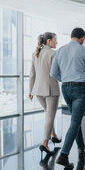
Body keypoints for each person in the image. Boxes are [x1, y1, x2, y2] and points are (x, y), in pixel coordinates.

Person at [50, 27, 85, 167]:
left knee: (75, 120)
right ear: (82, 38)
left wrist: (65, 79)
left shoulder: (60, 50)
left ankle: (81, 147)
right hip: (80, 90)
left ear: (72, 36)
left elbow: (53, 73)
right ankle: (64, 155)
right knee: (75, 122)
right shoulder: (84, 51)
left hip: (65, 88)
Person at [29, 32, 61, 162]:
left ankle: (53, 135)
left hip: (38, 90)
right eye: (55, 40)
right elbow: (56, 72)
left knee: (48, 113)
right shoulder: (53, 54)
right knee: (50, 115)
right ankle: (45, 143)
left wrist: (30, 91)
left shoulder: (35, 54)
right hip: (51, 89)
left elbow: (32, 74)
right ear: (48, 41)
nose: (56, 42)